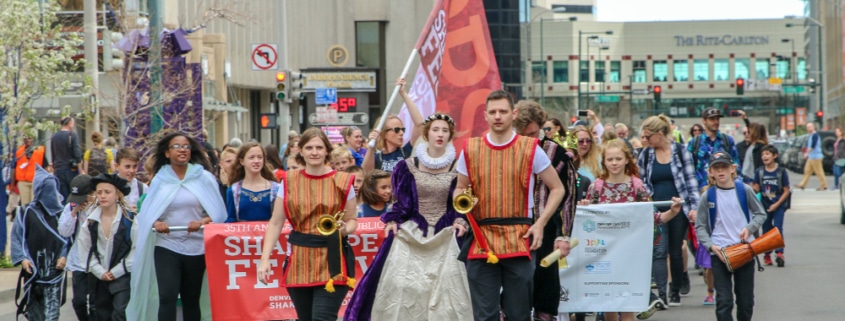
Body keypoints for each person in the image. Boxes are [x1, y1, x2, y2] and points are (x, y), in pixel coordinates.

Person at [346, 113, 472, 320]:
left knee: (450, 289)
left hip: (447, 235)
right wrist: (393, 220)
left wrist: (460, 219)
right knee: (403, 285)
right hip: (413, 233)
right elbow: (401, 203)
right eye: (435, 130)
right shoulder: (405, 167)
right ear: (426, 133)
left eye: (445, 131)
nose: (440, 134)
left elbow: (461, 201)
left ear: (450, 136)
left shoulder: (460, 167)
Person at [453, 90, 566, 321]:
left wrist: (540, 224)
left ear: (513, 114)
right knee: (484, 315)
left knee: (519, 314)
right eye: (492, 112)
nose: (497, 116)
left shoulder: (531, 148)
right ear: (485, 115)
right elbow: (459, 188)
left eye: (503, 111)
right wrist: (462, 202)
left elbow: (558, 188)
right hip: (481, 238)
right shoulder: (470, 148)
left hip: (520, 235)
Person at [257, 128, 358, 321]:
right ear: (300, 151)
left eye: (319, 147)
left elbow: (352, 219)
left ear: (327, 151)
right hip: (299, 260)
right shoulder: (288, 181)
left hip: (333, 259)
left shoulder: (344, 181)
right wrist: (264, 259)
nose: (314, 152)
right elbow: (276, 222)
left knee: (322, 318)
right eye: (309, 147)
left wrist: (346, 229)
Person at [127, 132, 227, 321]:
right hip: (167, 245)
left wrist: (201, 222)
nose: (182, 150)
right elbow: (148, 214)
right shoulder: (159, 180)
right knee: (167, 296)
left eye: (186, 146)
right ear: (167, 153)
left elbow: (217, 213)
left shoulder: (203, 177)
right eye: (177, 146)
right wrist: (157, 223)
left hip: (196, 247)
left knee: (191, 299)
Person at [580, 139, 683, 321]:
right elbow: (587, 224)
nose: (614, 163)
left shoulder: (636, 186)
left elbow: (653, 218)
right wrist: (584, 207)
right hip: (605, 254)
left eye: (618, 159)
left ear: (627, 160)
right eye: (610, 159)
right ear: (603, 161)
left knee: (628, 309)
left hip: (631, 254)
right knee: (608, 307)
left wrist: (672, 212)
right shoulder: (596, 187)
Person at [513, 100, 578, 321]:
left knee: (546, 289)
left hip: (546, 228)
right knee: (513, 292)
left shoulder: (557, 153)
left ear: (541, 127)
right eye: (523, 135)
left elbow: (568, 196)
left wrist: (564, 234)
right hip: (511, 228)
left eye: (532, 134)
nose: (528, 140)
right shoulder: (505, 151)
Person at [637, 114, 700, 307]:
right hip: (656, 209)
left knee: (676, 250)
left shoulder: (681, 152)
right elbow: (642, 183)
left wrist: (694, 208)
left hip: (678, 208)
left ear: (660, 134)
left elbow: (691, 181)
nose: (645, 140)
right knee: (659, 251)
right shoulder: (646, 155)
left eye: (649, 136)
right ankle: (662, 293)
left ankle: (675, 290)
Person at [695, 152, 766, 321]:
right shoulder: (708, 196)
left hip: (744, 251)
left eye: (724, 167)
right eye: (716, 168)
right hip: (720, 253)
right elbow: (700, 226)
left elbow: (760, 214)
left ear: (732, 169)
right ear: (710, 172)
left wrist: (749, 228)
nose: (721, 171)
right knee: (724, 301)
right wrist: (711, 246)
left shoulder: (744, 190)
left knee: (746, 301)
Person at [11, 165, 69, 321]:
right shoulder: (25, 212)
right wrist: (23, 259)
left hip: (54, 273)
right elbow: (17, 237)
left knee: (52, 314)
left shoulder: (62, 214)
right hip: (33, 274)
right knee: (35, 314)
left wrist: (64, 256)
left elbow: (68, 238)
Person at [76, 173, 137, 321]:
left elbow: (135, 250)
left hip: (123, 276)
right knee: (101, 315)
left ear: (117, 195)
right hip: (99, 278)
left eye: (107, 192)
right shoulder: (90, 222)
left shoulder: (130, 220)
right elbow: (84, 251)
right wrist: (100, 271)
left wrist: (116, 271)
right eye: (99, 192)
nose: (103, 196)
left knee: (120, 313)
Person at [363, 78, 424, 173]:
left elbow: (420, 124)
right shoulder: (377, 157)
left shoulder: (406, 151)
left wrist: (403, 93)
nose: (401, 133)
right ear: (384, 134)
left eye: (402, 129)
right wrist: (371, 147)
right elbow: (366, 172)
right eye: (396, 130)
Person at [58, 175, 96, 321]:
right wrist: (74, 212)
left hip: (96, 261)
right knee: (78, 301)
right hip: (78, 260)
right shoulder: (72, 206)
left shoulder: (100, 206)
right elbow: (63, 231)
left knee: (94, 303)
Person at [751, 145, 790, 267]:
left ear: (775, 155)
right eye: (763, 155)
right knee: (766, 230)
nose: (764, 156)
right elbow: (757, 188)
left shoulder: (781, 172)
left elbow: (786, 190)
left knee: (778, 228)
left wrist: (777, 204)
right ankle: (767, 254)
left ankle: (779, 253)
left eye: (767, 154)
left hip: (778, 205)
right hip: (764, 205)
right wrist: (752, 187)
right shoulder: (760, 171)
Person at [225, 142, 280, 222]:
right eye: (251, 157)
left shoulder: (276, 189)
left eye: (260, 157)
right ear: (242, 161)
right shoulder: (233, 190)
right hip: (243, 234)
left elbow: (281, 220)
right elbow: (231, 219)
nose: (256, 161)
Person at [688, 107, 740, 190]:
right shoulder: (695, 142)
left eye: (717, 119)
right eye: (712, 119)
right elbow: (689, 170)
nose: (716, 122)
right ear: (704, 121)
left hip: (725, 189)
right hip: (701, 191)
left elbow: (736, 166)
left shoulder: (727, 141)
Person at [51, 116, 83, 203]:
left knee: (62, 197)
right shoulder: (72, 135)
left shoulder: (54, 137)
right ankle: (73, 214)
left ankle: (64, 214)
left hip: (58, 169)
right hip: (70, 170)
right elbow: (77, 154)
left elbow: (53, 154)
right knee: (74, 195)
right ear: (69, 123)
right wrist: (81, 170)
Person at [15, 133, 50, 207]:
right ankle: (25, 218)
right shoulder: (19, 151)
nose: (28, 140)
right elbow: (14, 167)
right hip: (23, 182)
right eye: (26, 138)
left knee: (34, 204)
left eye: (29, 138)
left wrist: (46, 181)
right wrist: (12, 184)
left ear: (33, 139)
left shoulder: (40, 151)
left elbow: (45, 167)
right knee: (24, 205)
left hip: (35, 181)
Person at [796, 122, 828, 191]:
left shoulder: (815, 135)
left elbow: (813, 146)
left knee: (819, 171)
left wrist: (807, 153)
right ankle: (802, 184)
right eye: (807, 127)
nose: (808, 128)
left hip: (816, 156)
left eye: (810, 127)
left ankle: (824, 185)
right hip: (811, 156)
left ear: (813, 127)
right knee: (807, 171)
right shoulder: (810, 136)